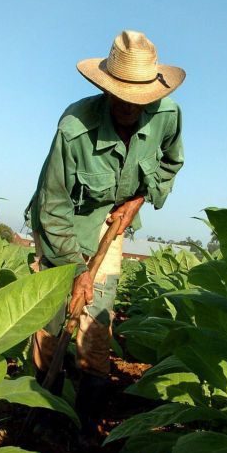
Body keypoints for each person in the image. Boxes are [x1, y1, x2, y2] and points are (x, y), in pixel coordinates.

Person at [26, 29, 185, 428]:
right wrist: (76, 271)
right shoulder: (74, 129)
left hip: (110, 227)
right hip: (63, 225)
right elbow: (52, 205)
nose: (132, 105)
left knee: (96, 321)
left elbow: (169, 163)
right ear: (107, 89)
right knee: (51, 317)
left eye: (141, 97)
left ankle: (84, 428)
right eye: (123, 95)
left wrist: (140, 198)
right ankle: (41, 411)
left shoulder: (168, 116)